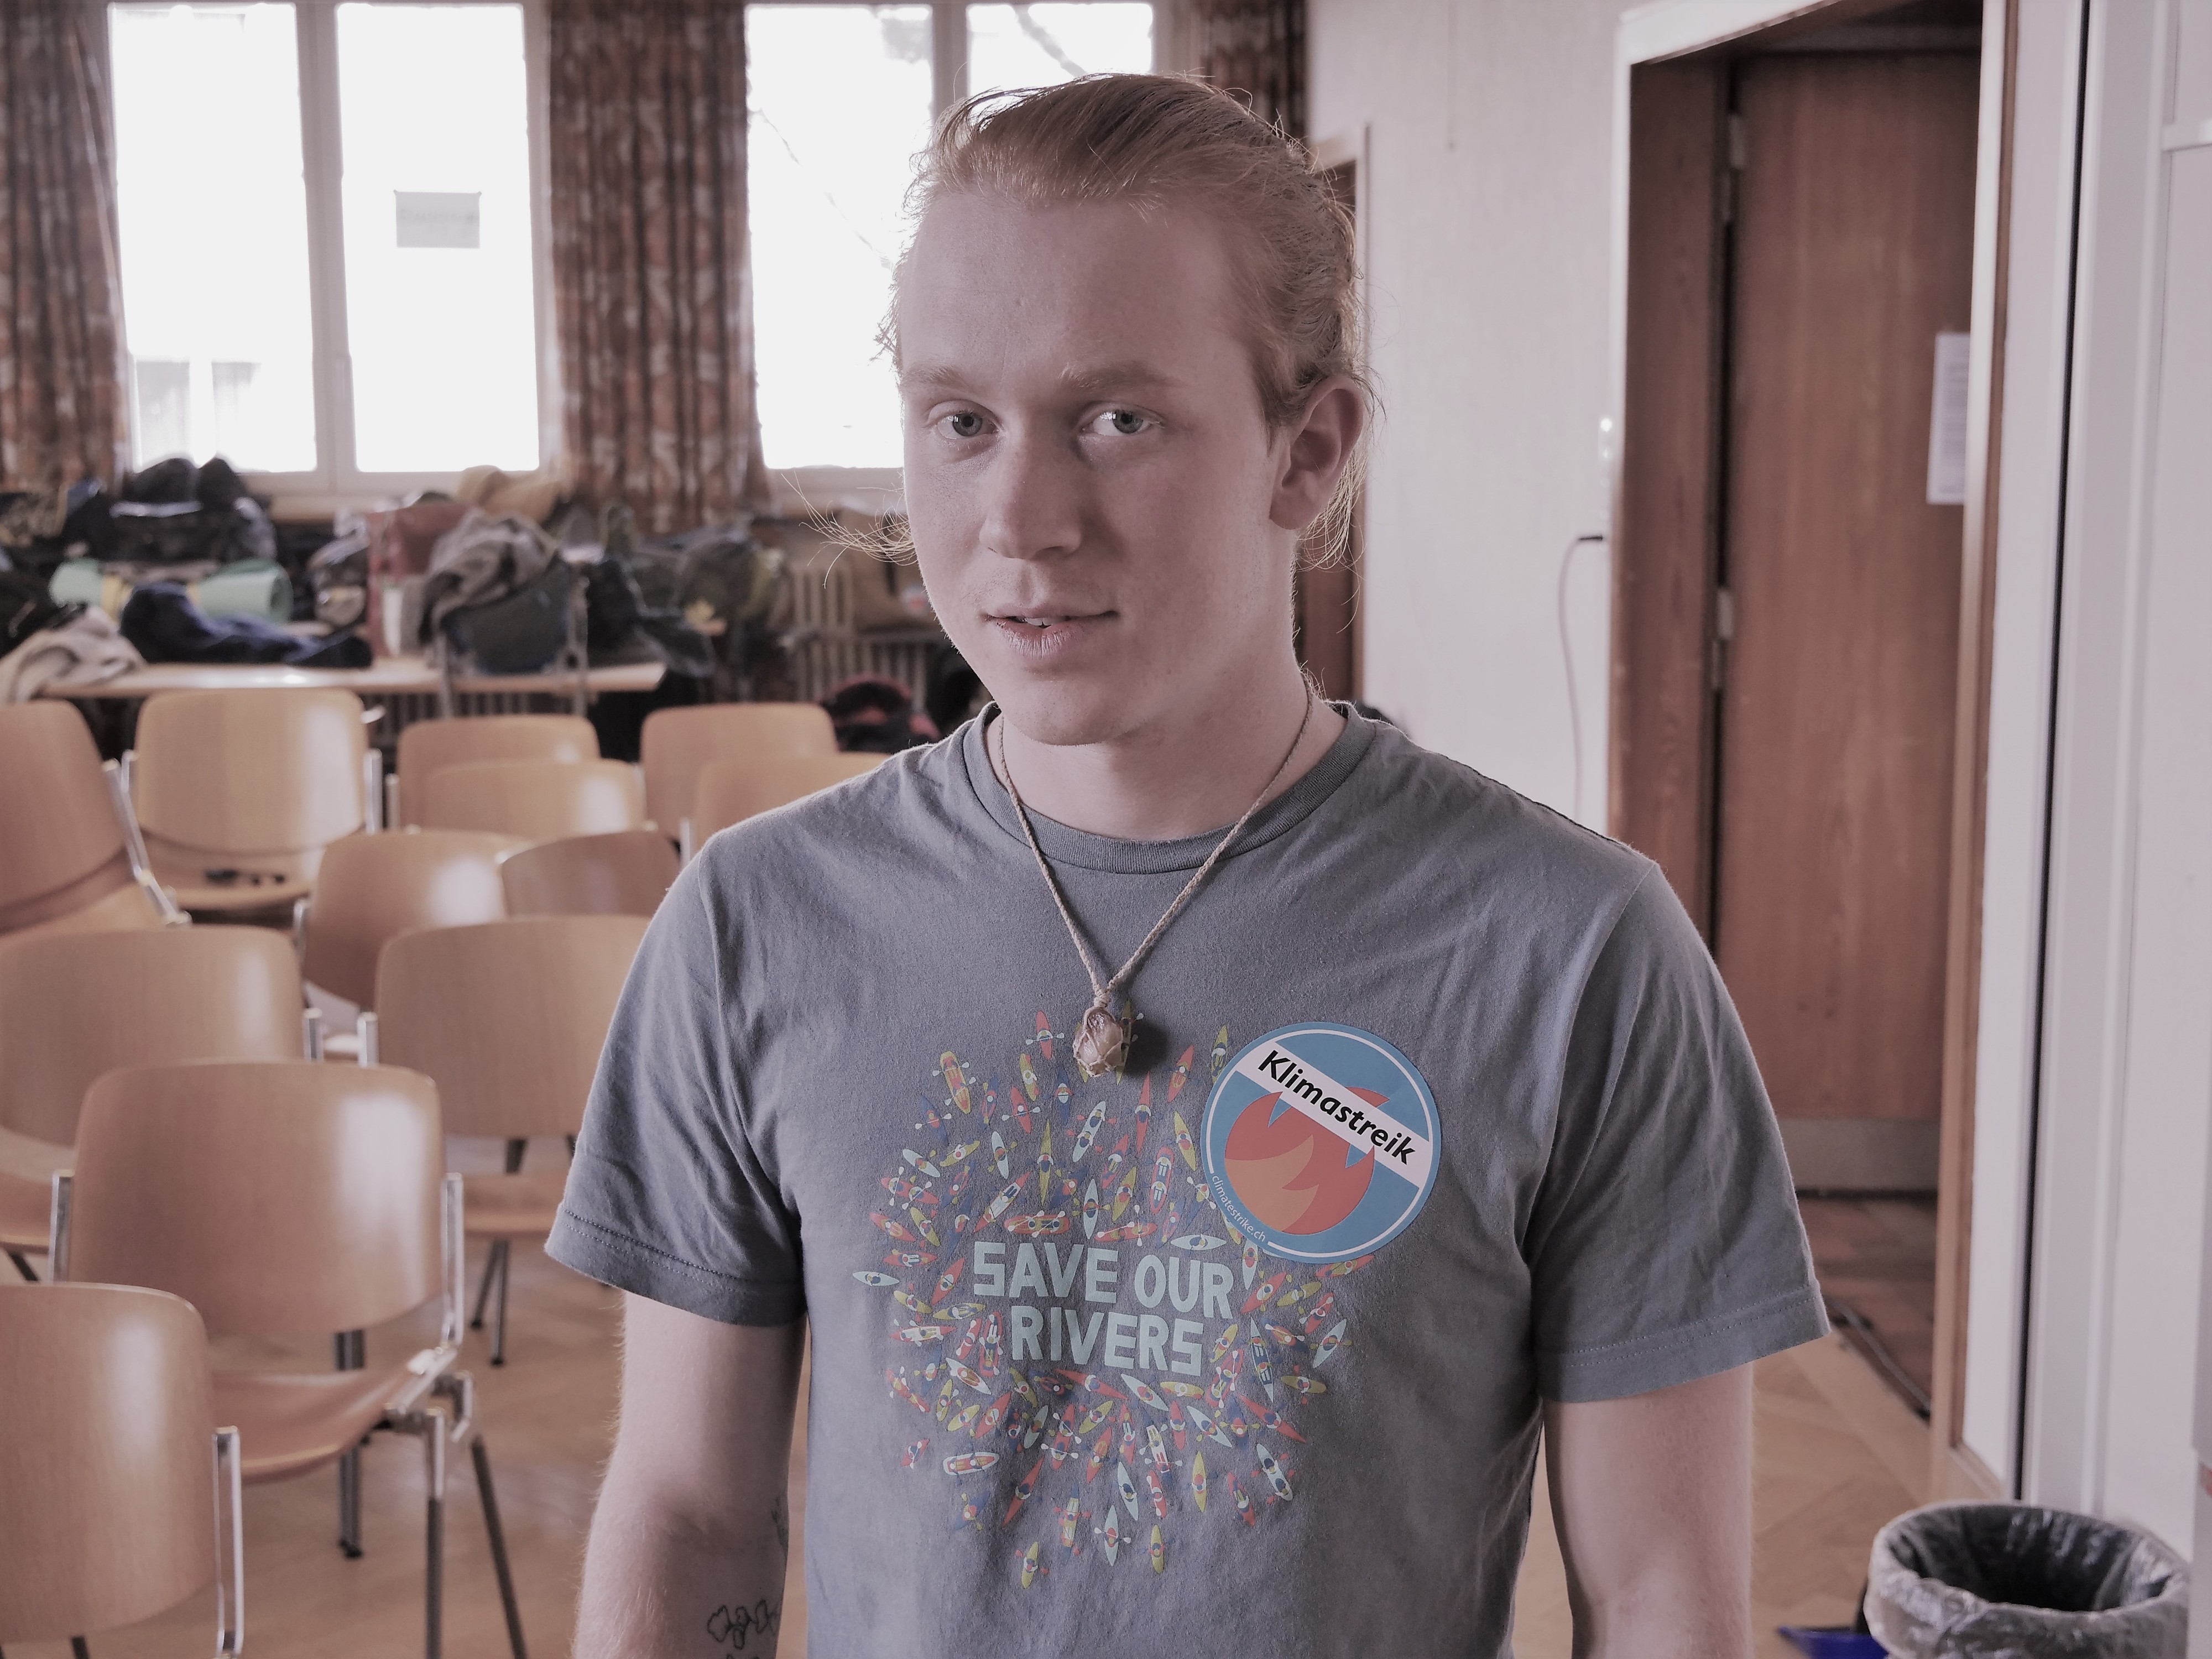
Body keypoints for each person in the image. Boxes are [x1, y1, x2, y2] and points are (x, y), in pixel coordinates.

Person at [554, 74, 1823, 1658]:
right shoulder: (756, 925)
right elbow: (689, 1517)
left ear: (1310, 450)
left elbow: (1657, 1594)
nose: (1021, 519)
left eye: (1118, 420)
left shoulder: (1572, 954)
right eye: (961, 422)